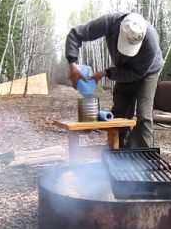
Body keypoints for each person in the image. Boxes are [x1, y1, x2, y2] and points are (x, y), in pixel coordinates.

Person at [65, 12, 163, 149]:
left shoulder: (151, 42)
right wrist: (72, 63)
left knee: (144, 116)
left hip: (148, 72)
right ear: (119, 30)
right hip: (123, 67)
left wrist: (108, 72)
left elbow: (136, 74)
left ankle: (141, 158)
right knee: (119, 112)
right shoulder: (109, 23)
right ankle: (117, 152)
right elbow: (75, 34)